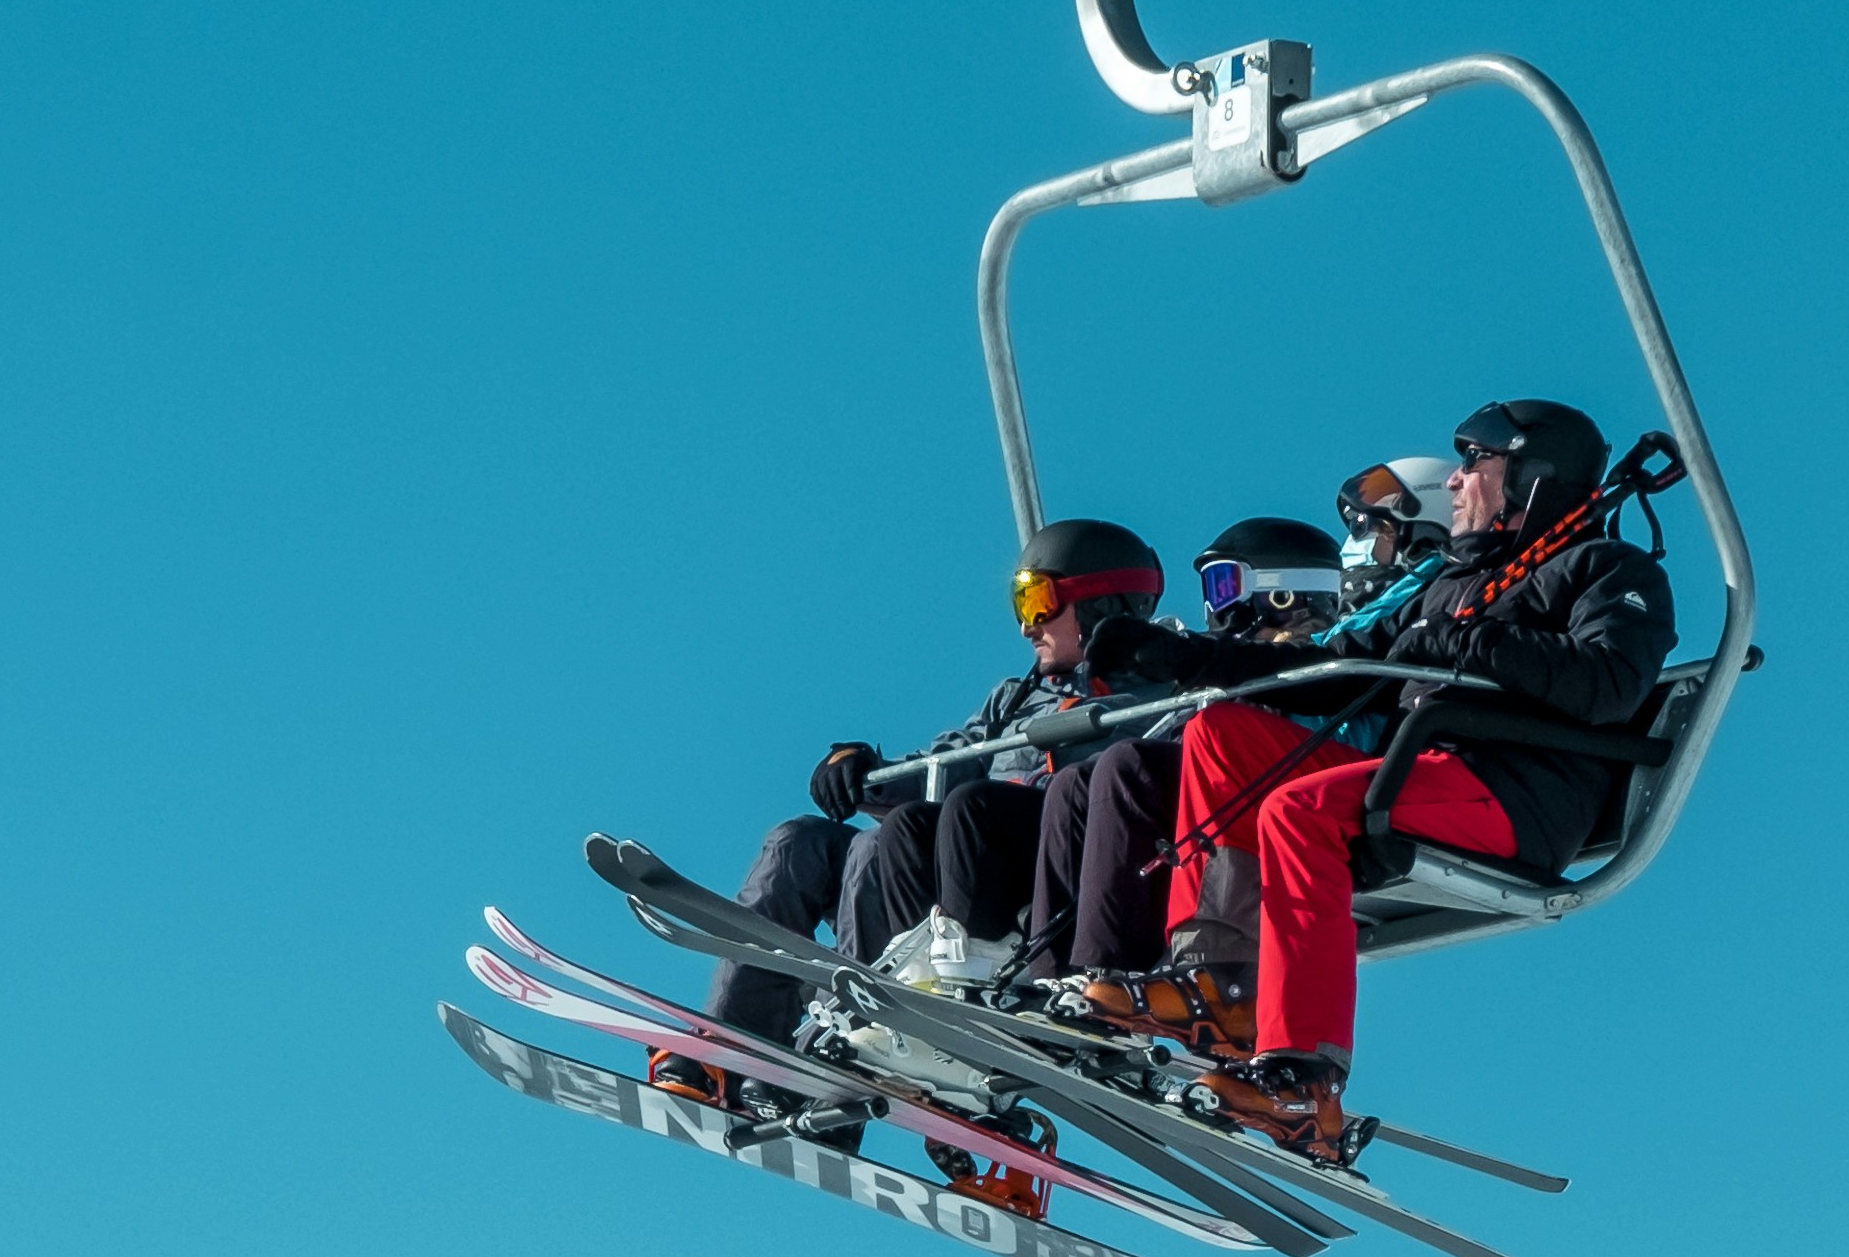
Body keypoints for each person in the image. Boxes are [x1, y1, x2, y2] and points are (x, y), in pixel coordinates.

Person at [1160, 397, 1675, 1160]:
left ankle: (1305, 1080)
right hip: (1420, 773)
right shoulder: (1451, 584)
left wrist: (1478, 644)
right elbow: (1330, 672)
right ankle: (1216, 990)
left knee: (1302, 811)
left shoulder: (1605, 569)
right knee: (1221, 735)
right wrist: (1197, 664)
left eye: (1478, 464)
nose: (1459, 481)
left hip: (1516, 791)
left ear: (1532, 479)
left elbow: (1610, 682)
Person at [678, 521, 1183, 1070]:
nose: (1025, 627)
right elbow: (947, 762)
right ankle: (733, 1046)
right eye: (1021, 603)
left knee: (892, 840)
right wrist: (868, 772)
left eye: (1039, 603)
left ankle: (860, 1023)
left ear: (1099, 603)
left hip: (1037, 883)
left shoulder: (1161, 696)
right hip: (950, 859)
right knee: (798, 843)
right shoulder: (1015, 699)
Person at [1034, 519, 1345, 1021]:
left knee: (1126, 766)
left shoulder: (1323, 646)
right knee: (1075, 782)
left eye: (1225, 584)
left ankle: (1111, 969)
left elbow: (1305, 695)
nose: (1215, 603)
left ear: (1282, 590)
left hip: (1280, 781)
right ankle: (1051, 974)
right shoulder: (1225, 653)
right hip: (1219, 777)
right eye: (1211, 587)